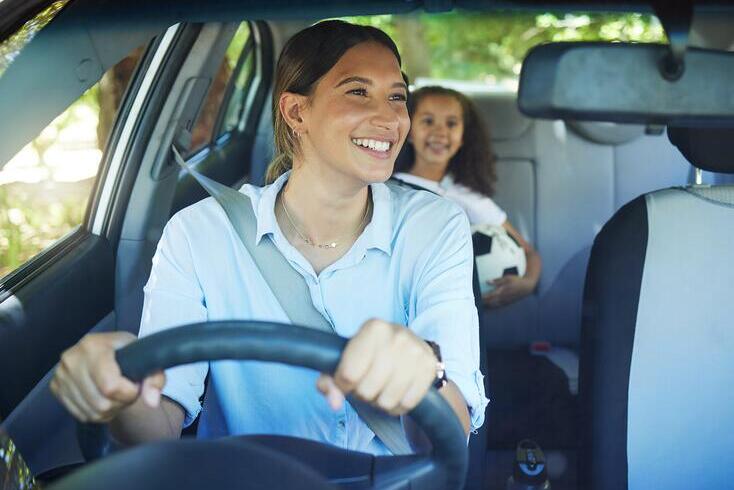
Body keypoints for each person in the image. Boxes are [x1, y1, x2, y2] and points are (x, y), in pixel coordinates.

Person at [50, 21, 487, 455]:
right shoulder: (199, 234)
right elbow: (159, 422)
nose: (390, 117)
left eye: (397, 96)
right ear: (297, 112)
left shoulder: (435, 225)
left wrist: (424, 378)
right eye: (359, 92)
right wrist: (122, 394)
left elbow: (452, 430)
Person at [393, 86, 541, 309]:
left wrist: (527, 283)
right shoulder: (386, 185)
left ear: (463, 137)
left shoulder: (466, 196)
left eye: (451, 124)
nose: (440, 132)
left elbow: (528, 252)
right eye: (428, 121)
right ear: (409, 130)